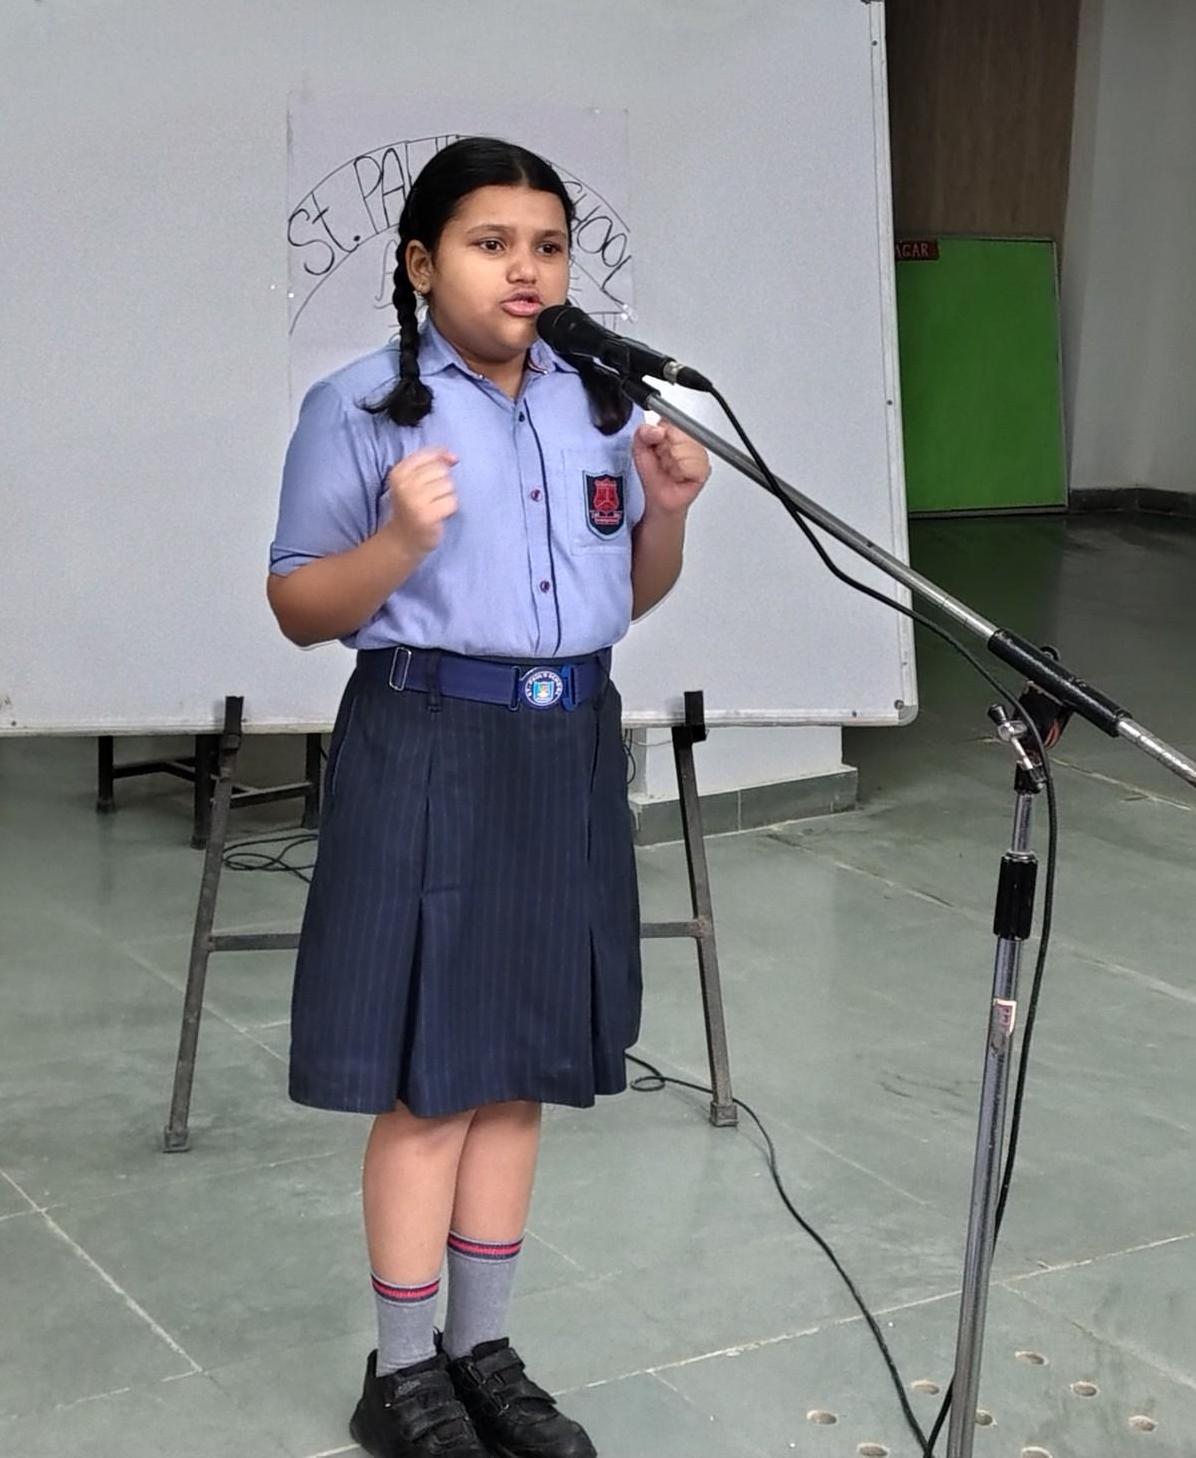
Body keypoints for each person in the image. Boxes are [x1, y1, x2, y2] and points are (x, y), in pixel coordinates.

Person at [267, 137, 710, 1458]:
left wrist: (668, 513)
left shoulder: (598, 405)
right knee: (433, 1079)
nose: (527, 270)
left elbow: (621, 596)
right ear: (420, 263)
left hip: (565, 744)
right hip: (428, 742)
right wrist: (399, 542)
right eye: (490, 243)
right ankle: (403, 1373)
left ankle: (484, 1350)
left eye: (549, 246)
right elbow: (299, 606)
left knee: (516, 1068)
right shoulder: (358, 408)